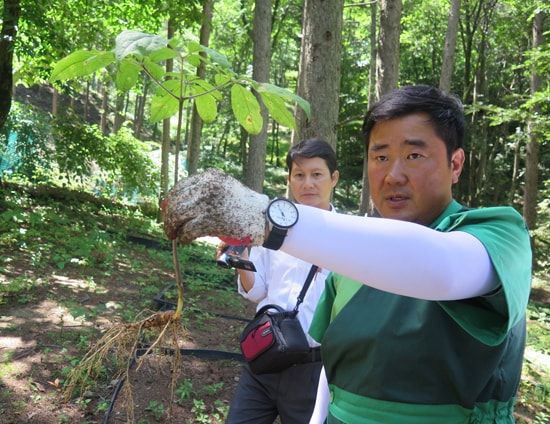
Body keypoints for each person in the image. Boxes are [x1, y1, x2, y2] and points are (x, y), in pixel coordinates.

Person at [162, 85, 532, 424]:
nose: (393, 175)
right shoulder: (350, 260)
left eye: (414, 154)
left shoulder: (497, 236)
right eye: (381, 157)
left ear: (455, 164)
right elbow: (334, 370)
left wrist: (269, 218)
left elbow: (442, 268)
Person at [221, 138, 340, 424]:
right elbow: (257, 290)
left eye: (316, 174)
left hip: (314, 369)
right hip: (266, 356)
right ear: (289, 179)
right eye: (299, 175)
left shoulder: (346, 236)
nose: (307, 183)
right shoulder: (274, 227)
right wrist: (240, 256)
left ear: (333, 178)